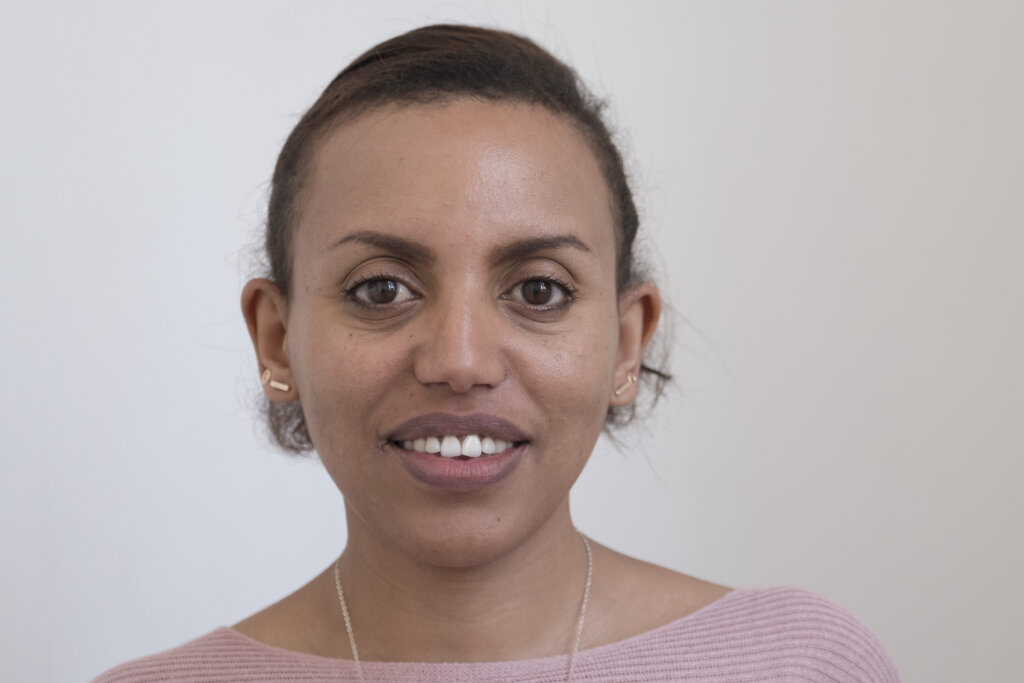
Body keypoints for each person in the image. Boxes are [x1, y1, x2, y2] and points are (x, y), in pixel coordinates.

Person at [94, 24, 900, 682]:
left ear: (626, 342)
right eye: (382, 289)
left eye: (539, 290)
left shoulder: (799, 663)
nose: (461, 358)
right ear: (277, 339)